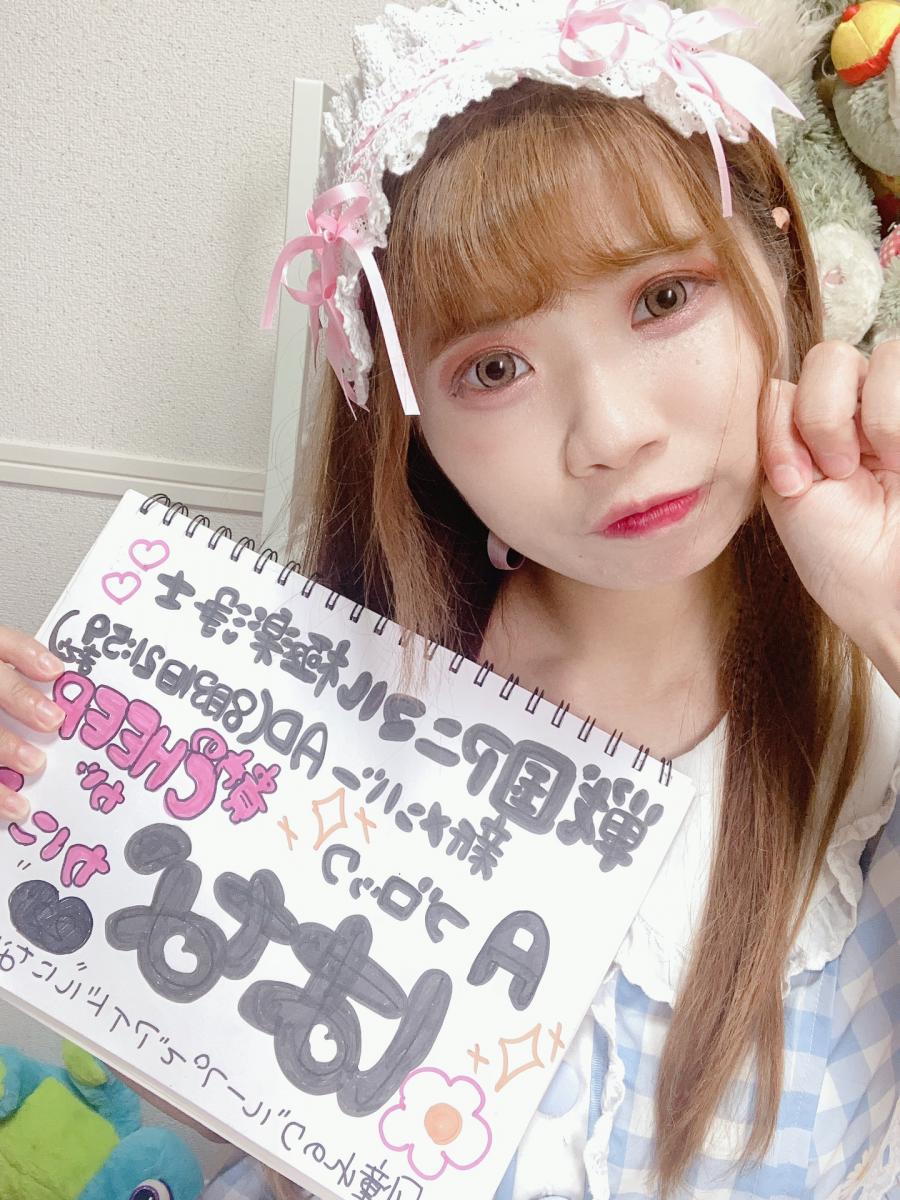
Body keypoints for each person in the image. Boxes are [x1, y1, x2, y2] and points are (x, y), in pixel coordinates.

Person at [2, 0, 899, 1196]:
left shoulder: (872, 699)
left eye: (662, 298)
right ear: (414, 424)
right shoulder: (323, 705)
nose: (611, 432)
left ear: (778, 264)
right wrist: (61, 810)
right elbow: (211, 1104)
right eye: (495, 366)